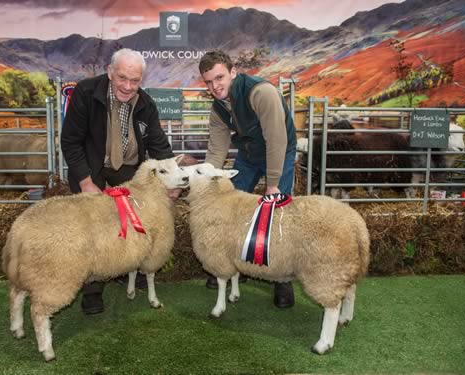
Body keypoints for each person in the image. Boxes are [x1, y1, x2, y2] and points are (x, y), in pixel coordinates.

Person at [61, 48, 176, 315]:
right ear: (110, 72)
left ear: (141, 80)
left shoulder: (145, 104)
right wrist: (86, 182)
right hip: (92, 168)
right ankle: (92, 291)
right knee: (93, 229)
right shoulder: (87, 93)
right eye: (122, 78)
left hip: (127, 171)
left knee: (129, 225)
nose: (127, 86)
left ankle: (122, 268)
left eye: (134, 81)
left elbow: (159, 144)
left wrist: (174, 178)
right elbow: (70, 141)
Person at [198, 50, 298, 309]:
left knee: (278, 213)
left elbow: (276, 139)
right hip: (249, 154)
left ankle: (282, 280)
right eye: (208, 82)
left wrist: (273, 184)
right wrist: (207, 182)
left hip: (280, 152)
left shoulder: (260, 93)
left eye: (219, 77)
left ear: (233, 72)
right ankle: (232, 267)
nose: (214, 86)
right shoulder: (218, 108)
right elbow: (216, 150)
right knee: (230, 203)